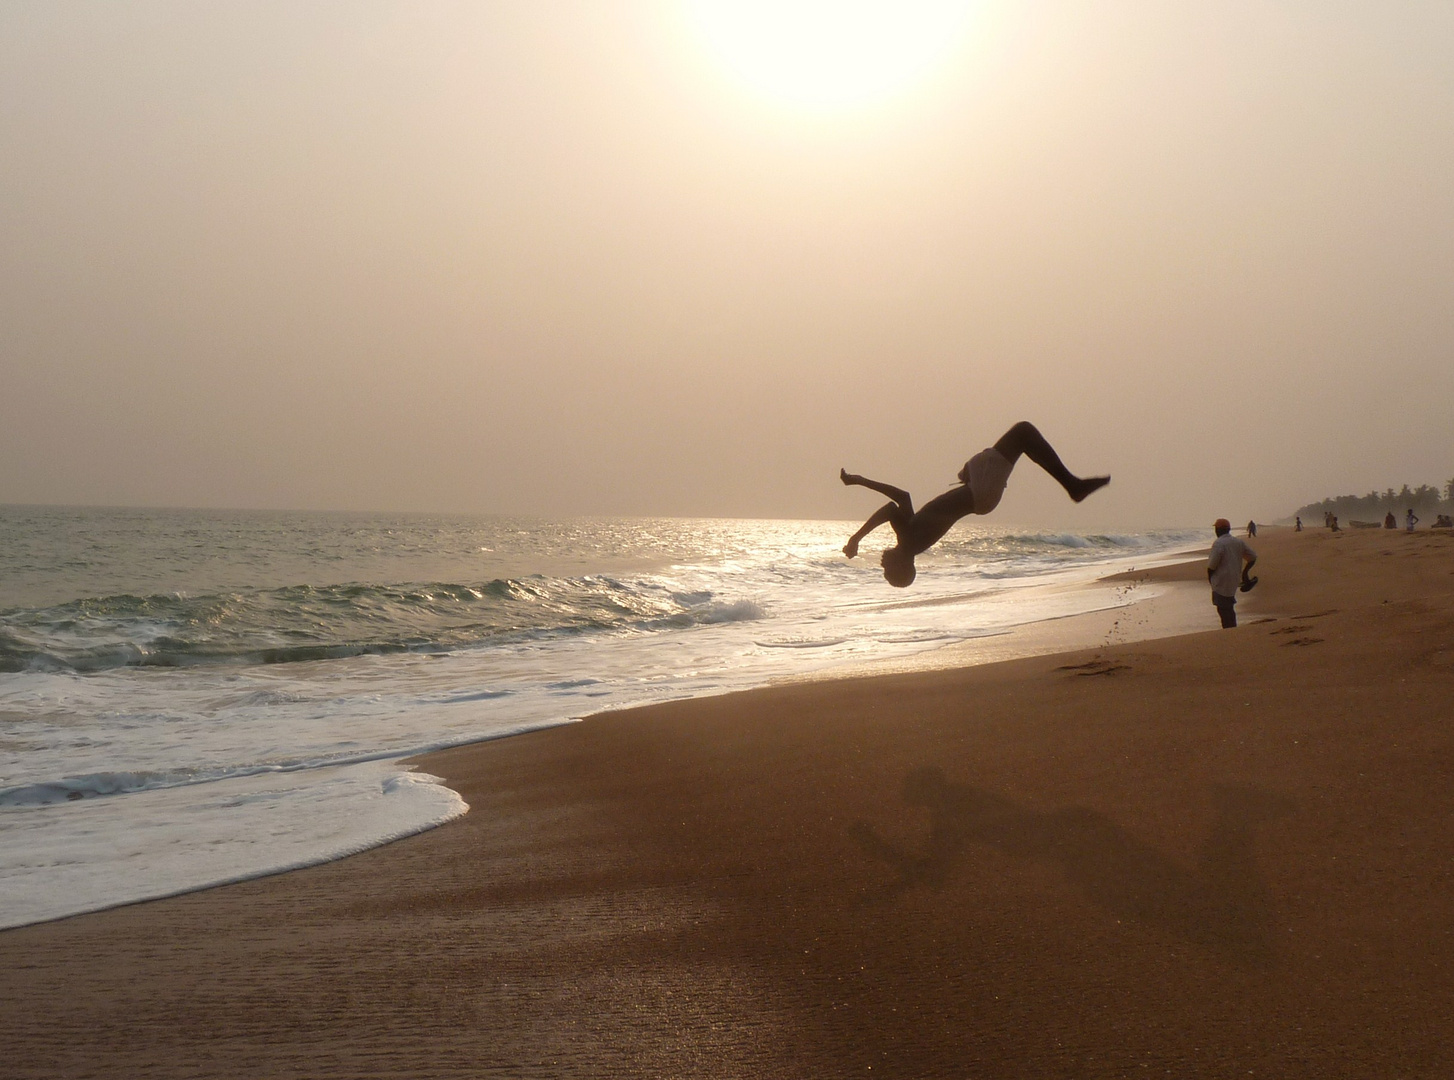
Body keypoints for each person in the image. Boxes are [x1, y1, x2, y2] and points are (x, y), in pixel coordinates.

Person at [840, 421, 1109, 587]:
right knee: (1024, 433)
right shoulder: (909, 540)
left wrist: (860, 481)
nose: (882, 564)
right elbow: (891, 507)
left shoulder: (909, 537)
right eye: (887, 569)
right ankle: (1072, 486)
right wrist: (856, 537)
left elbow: (902, 498)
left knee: (1023, 437)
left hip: (978, 494)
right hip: (980, 495)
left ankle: (1072, 485)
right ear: (902, 565)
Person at [1207, 518, 1257, 629]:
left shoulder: (1219, 544)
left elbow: (1212, 566)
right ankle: (1231, 629)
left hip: (1220, 581)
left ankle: (1229, 631)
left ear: (1218, 530)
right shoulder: (1238, 542)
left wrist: (1210, 579)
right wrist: (1245, 573)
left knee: (1223, 609)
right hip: (1234, 579)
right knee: (1228, 607)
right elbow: (1252, 557)